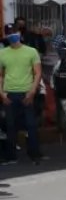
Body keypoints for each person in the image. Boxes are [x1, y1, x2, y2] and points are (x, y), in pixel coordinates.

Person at [0, 23, 44, 164]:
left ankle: (34, 154)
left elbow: (37, 73)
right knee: (10, 125)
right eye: (9, 32)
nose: (12, 34)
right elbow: (0, 76)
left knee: (31, 125)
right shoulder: (2, 53)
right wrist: (2, 94)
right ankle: (11, 156)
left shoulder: (31, 51)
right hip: (9, 94)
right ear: (5, 35)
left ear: (19, 33)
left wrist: (32, 92)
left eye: (14, 31)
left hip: (27, 93)